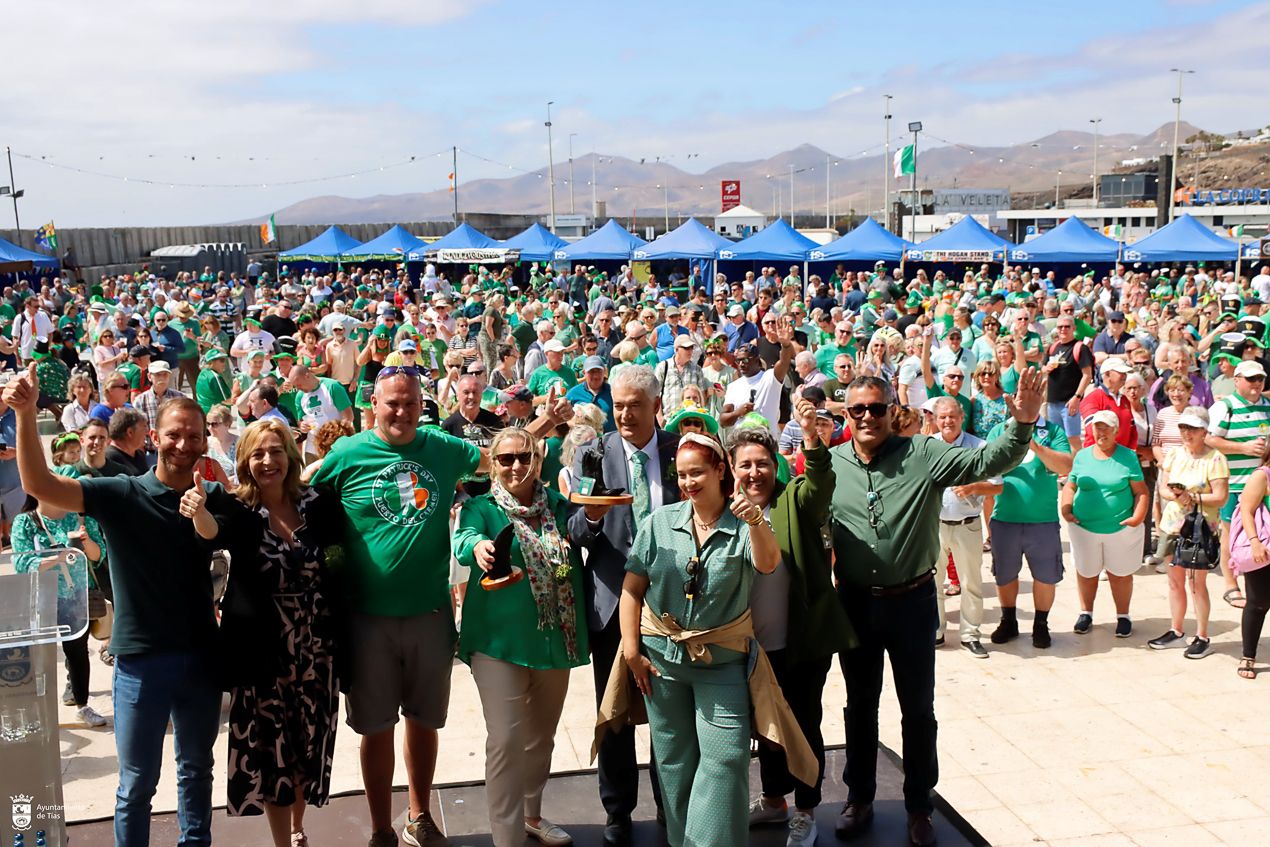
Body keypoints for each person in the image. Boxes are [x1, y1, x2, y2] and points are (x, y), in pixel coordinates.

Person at [4, 368, 241, 847]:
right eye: (174, 434)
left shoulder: (214, 499)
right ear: (154, 436)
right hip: (138, 663)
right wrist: (26, 414)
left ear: (203, 443)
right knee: (136, 786)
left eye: (194, 436)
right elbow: (40, 484)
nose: (183, 443)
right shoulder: (121, 492)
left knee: (197, 772)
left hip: (200, 660)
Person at [829, 369, 1044, 847]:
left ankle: (920, 805)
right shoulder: (832, 463)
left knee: (918, 710)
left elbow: (990, 458)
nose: (868, 417)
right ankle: (859, 797)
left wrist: (1023, 424)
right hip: (856, 604)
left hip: (912, 601)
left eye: (877, 408)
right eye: (858, 409)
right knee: (859, 707)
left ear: (891, 410)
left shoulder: (922, 452)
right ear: (847, 414)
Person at [310, 366, 490, 847]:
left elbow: (495, 461)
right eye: (393, 402)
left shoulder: (441, 447)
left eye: (410, 403)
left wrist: (537, 433)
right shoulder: (347, 453)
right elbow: (304, 494)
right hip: (366, 619)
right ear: (373, 404)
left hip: (429, 614)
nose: (402, 412)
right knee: (375, 727)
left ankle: (418, 816)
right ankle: (379, 828)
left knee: (425, 720)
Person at [615, 432, 784, 847]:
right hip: (661, 663)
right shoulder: (659, 522)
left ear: (720, 471)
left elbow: (768, 564)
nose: (688, 482)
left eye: (698, 473)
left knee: (726, 758)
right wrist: (632, 651)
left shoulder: (744, 522)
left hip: (722, 663)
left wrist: (756, 521)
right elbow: (632, 588)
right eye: (682, 474)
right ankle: (680, 841)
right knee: (673, 763)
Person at [452, 427, 588, 847]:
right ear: (493, 463)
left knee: (540, 739)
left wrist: (594, 518)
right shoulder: (482, 508)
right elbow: (464, 541)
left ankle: (532, 814)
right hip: (498, 643)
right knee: (507, 740)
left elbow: (579, 540)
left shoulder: (560, 508)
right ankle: (506, 838)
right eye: (506, 458)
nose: (515, 466)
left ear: (537, 461)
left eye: (523, 457)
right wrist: (478, 548)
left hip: (553, 640)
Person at [731, 409, 855, 847]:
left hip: (799, 645)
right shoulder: (724, 513)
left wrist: (810, 439)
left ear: (776, 464)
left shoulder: (793, 500)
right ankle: (773, 800)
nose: (754, 472)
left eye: (762, 462)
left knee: (802, 726)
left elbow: (821, 485)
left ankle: (805, 809)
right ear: (732, 468)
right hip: (748, 650)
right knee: (763, 728)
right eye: (745, 464)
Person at [567, 364, 677, 846]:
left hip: (673, 604)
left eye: (635, 404)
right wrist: (590, 519)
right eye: (618, 404)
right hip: (612, 603)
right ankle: (617, 809)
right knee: (613, 713)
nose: (626, 413)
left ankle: (672, 804)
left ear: (656, 405)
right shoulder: (593, 453)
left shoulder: (680, 452)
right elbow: (572, 529)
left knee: (670, 711)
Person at [222, 419, 344, 847]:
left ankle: (298, 827)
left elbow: (337, 557)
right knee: (273, 753)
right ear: (245, 461)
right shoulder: (237, 511)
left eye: (275, 451)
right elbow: (207, 536)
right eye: (257, 453)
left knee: (307, 747)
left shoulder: (320, 504)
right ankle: (283, 841)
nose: (268, 461)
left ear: (291, 457)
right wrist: (199, 512)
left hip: (317, 648)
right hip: (263, 654)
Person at [10, 494, 109, 727]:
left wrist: (86, 542)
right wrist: (57, 558)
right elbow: (22, 564)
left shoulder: (82, 520)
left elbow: (98, 557)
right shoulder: (26, 522)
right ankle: (35, 711)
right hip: (41, 598)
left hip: (78, 595)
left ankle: (82, 705)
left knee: (77, 652)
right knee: (39, 657)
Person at [985, 412, 1072, 649]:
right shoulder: (997, 431)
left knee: (1045, 576)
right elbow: (989, 472)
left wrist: (1033, 444)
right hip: (1004, 519)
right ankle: (1008, 621)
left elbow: (1065, 465)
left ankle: (1040, 625)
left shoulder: (1052, 432)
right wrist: (989, 525)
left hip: (1042, 520)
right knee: (1004, 575)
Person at [1147, 407, 1228, 658]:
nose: (1187, 433)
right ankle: (1177, 630)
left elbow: (1221, 497)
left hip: (1199, 530)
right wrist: (1177, 495)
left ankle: (1202, 635)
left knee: (1196, 584)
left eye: (1192, 428)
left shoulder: (1216, 459)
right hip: (1173, 526)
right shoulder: (1174, 454)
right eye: (1183, 428)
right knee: (1174, 581)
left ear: (1205, 431)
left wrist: (1191, 496)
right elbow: (1162, 489)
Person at [1062, 410, 1150, 637]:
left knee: (1120, 574)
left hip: (1119, 527)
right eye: (1097, 427)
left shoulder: (1128, 456)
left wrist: (1137, 517)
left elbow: (1141, 491)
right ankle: (1086, 613)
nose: (1101, 432)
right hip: (1084, 527)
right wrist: (1067, 509)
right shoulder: (1082, 456)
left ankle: (1123, 616)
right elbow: (1070, 485)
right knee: (1086, 571)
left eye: (1106, 427)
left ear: (1116, 430)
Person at [931, 396, 1002, 657]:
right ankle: (936, 632)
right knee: (933, 582)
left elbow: (998, 485)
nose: (947, 421)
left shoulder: (980, 447)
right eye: (942, 417)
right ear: (936, 420)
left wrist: (973, 487)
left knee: (971, 582)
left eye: (952, 416)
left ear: (962, 418)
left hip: (967, 525)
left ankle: (970, 634)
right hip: (935, 525)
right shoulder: (928, 447)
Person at [1207, 359, 1270, 611]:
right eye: (1251, 379)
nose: (1256, 383)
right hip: (1234, 483)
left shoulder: (1268, 406)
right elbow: (1210, 439)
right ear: (1237, 381)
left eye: (1260, 379)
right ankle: (1231, 585)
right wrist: (1242, 448)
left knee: (1261, 532)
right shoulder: (1225, 407)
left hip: (1263, 483)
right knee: (1230, 535)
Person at [1235, 441, 1270, 680]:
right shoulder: (1262, 475)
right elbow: (1246, 509)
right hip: (1265, 547)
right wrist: (1254, 541)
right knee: (1258, 603)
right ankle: (1248, 655)